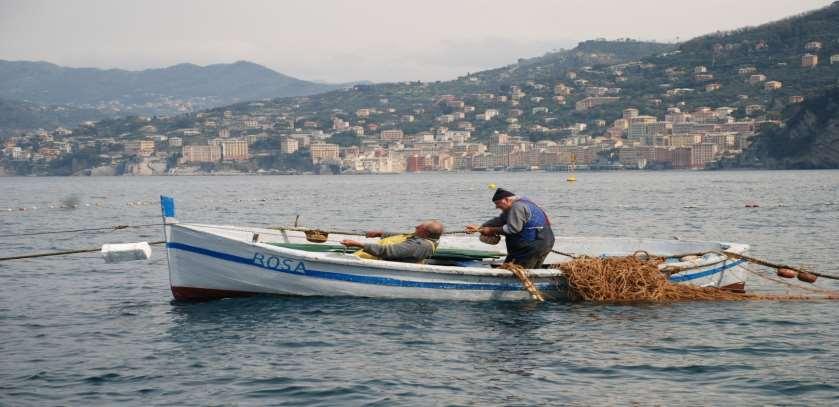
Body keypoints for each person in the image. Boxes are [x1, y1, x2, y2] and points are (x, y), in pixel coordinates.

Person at [466, 188, 554, 269]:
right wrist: (480, 228)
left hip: (530, 247)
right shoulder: (523, 203)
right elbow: (500, 220)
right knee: (532, 271)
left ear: (507, 200)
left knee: (517, 271)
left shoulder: (517, 207)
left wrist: (490, 230)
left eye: (497, 203)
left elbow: (513, 229)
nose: (496, 207)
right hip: (545, 242)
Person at [340, 220, 444, 263]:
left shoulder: (419, 245)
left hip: (372, 263)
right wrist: (380, 234)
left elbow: (388, 251)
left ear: (425, 233)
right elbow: (402, 236)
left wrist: (358, 244)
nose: (416, 227)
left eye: (419, 227)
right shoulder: (419, 237)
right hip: (361, 258)